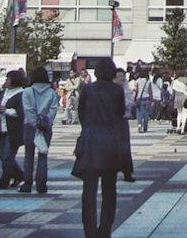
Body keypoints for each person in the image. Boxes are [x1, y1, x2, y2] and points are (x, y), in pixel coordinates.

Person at [73, 58, 127, 238]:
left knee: (89, 191)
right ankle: (104, 230)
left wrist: (89, 127)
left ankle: (89, 231)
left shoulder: (88, 89)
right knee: (109, 189)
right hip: (110, 142)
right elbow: (120, 113)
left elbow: (81, 113)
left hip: (91, 142)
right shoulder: (117, 90)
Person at [20, 66, 59, 194]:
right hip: (45, 127)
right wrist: (46, 122)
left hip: (29, 127)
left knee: (28, 155)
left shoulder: (27, 91)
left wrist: (34, 122)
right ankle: (42, 185)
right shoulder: (51, 92)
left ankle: (27, 183)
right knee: (43, 155)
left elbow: (28, 109)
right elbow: (53, 110)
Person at [0, 70, 25, 189]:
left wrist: (6, 110)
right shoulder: (4, 92)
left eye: (8, 79)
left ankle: (4, 180)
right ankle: (19, 175)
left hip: (13, 130)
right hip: (1, 127)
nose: (6, 81)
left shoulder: (21, 94)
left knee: (8, 156)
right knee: (3, 156)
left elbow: (21, 112)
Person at [115, 68, 136, 182]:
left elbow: (130, 102)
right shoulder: (111, 89)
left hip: (123, 120)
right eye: (119, 76)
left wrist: (121, 104)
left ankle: (127, 172)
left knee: (125, 147)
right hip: (112, 121)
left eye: (123, 76)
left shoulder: (126, 89)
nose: (122, 78)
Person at [133, 68, 154, 134]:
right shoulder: (148, 81)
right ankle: (145, 127)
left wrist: (135, 98)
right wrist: (152, 100)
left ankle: (139, 124)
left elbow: (137, 91)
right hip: (147, 98)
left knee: (139, 113)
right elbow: (150, 91)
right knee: (146, 114)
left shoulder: (137, 81)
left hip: (139, 99)